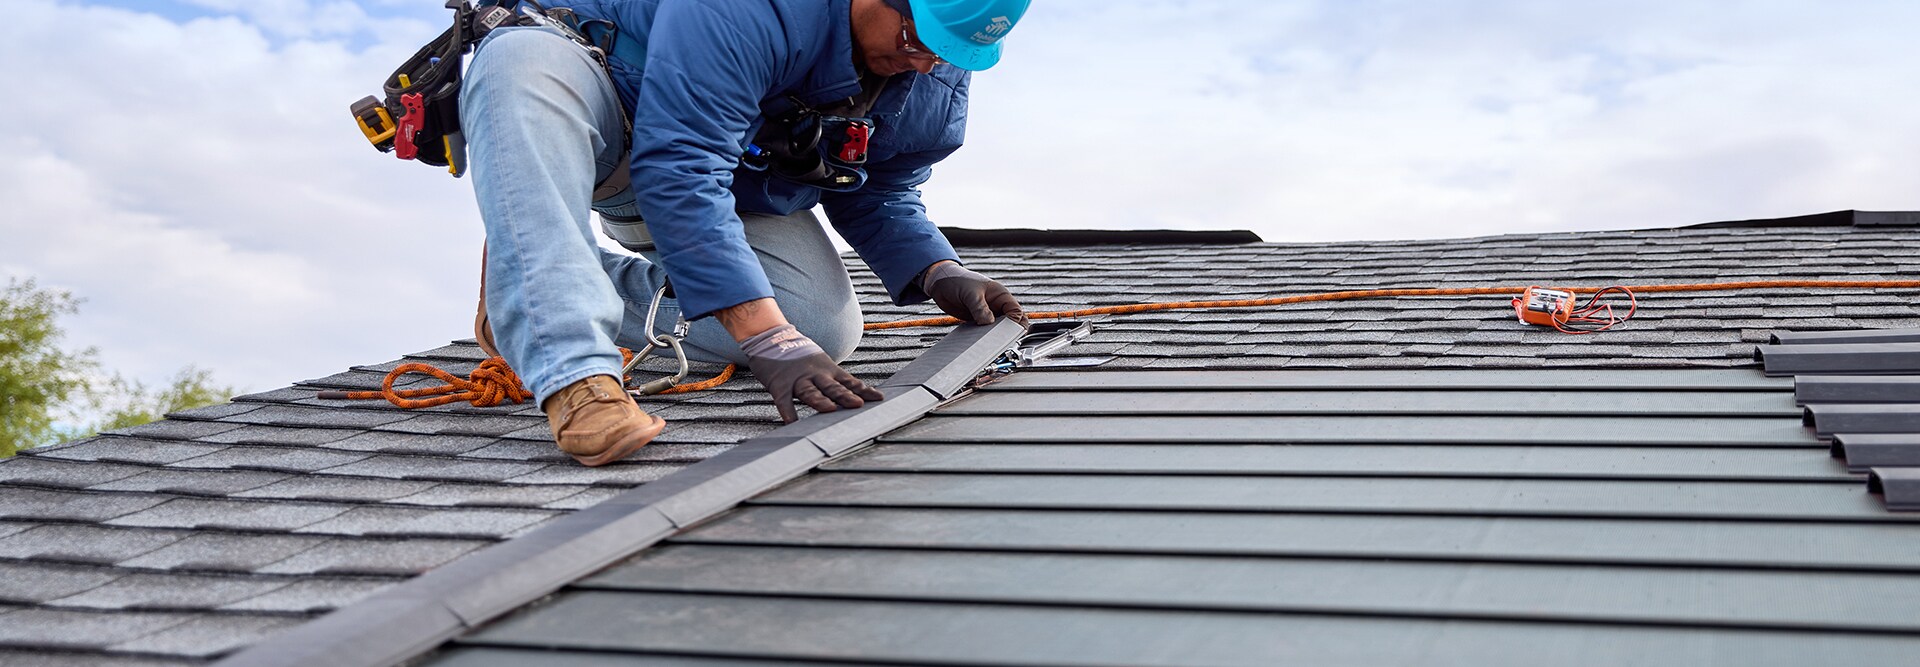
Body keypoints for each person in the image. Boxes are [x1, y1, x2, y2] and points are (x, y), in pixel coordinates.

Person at [461, 0, 1032, 466]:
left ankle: (528, 280)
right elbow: (680, 166)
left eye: (948, 53)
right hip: (608, 116)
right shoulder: (756, 8)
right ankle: (574, 374)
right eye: (916, 38)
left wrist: (937, 270)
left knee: (815, 326)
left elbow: (879, 185)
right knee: (519, 60)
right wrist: (767, 339)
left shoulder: (931, 68)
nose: (927, 63)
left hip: (726, 174)